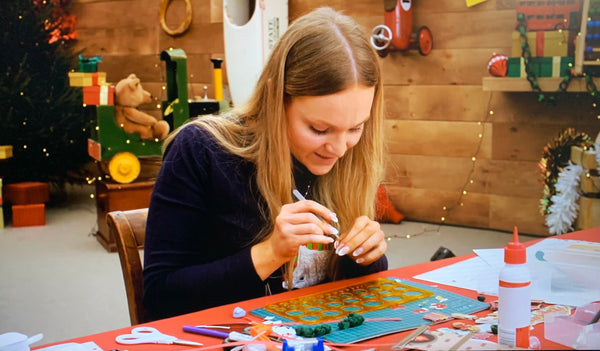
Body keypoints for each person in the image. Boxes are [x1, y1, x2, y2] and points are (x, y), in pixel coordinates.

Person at [143, 6, 388, 320]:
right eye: (319, 129)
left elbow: (350, 297)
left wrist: (368, 256)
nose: (340, 148)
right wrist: (270, 253)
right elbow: (161, 296)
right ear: (276, 99)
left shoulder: (351, 157)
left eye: (355, 127)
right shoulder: (201, 150)